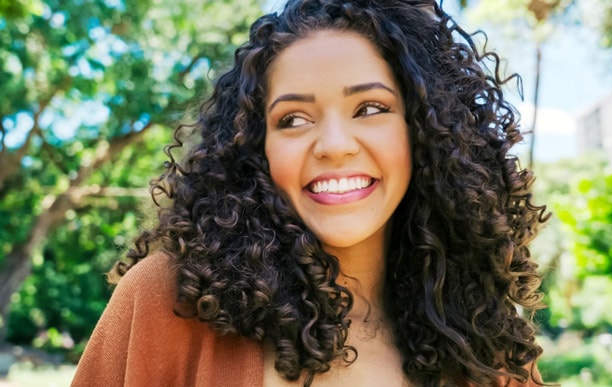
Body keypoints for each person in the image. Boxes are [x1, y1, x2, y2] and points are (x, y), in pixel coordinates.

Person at [72, 0, 549, 386]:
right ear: (256, 149)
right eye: (293, 119)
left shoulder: (488, 352)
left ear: (424, 131)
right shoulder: (167, 304)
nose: (335, 146)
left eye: (369, 108)